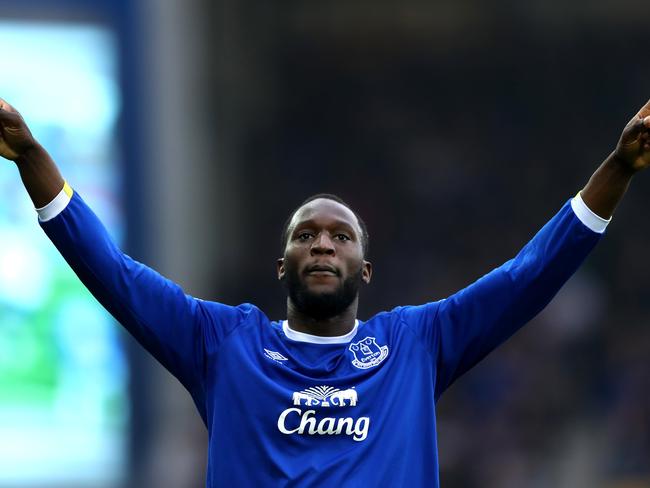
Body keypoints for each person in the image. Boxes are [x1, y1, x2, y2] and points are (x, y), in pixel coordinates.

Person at [1, 95, 649, 487]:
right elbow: (112, 273)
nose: (322, 243)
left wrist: (617, 168)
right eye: (306, 234)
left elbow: (527, 277)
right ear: (281, 264)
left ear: (365, 269)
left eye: (341, 236)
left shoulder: (416, 343)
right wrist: (32, 156)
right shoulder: (222, 343)